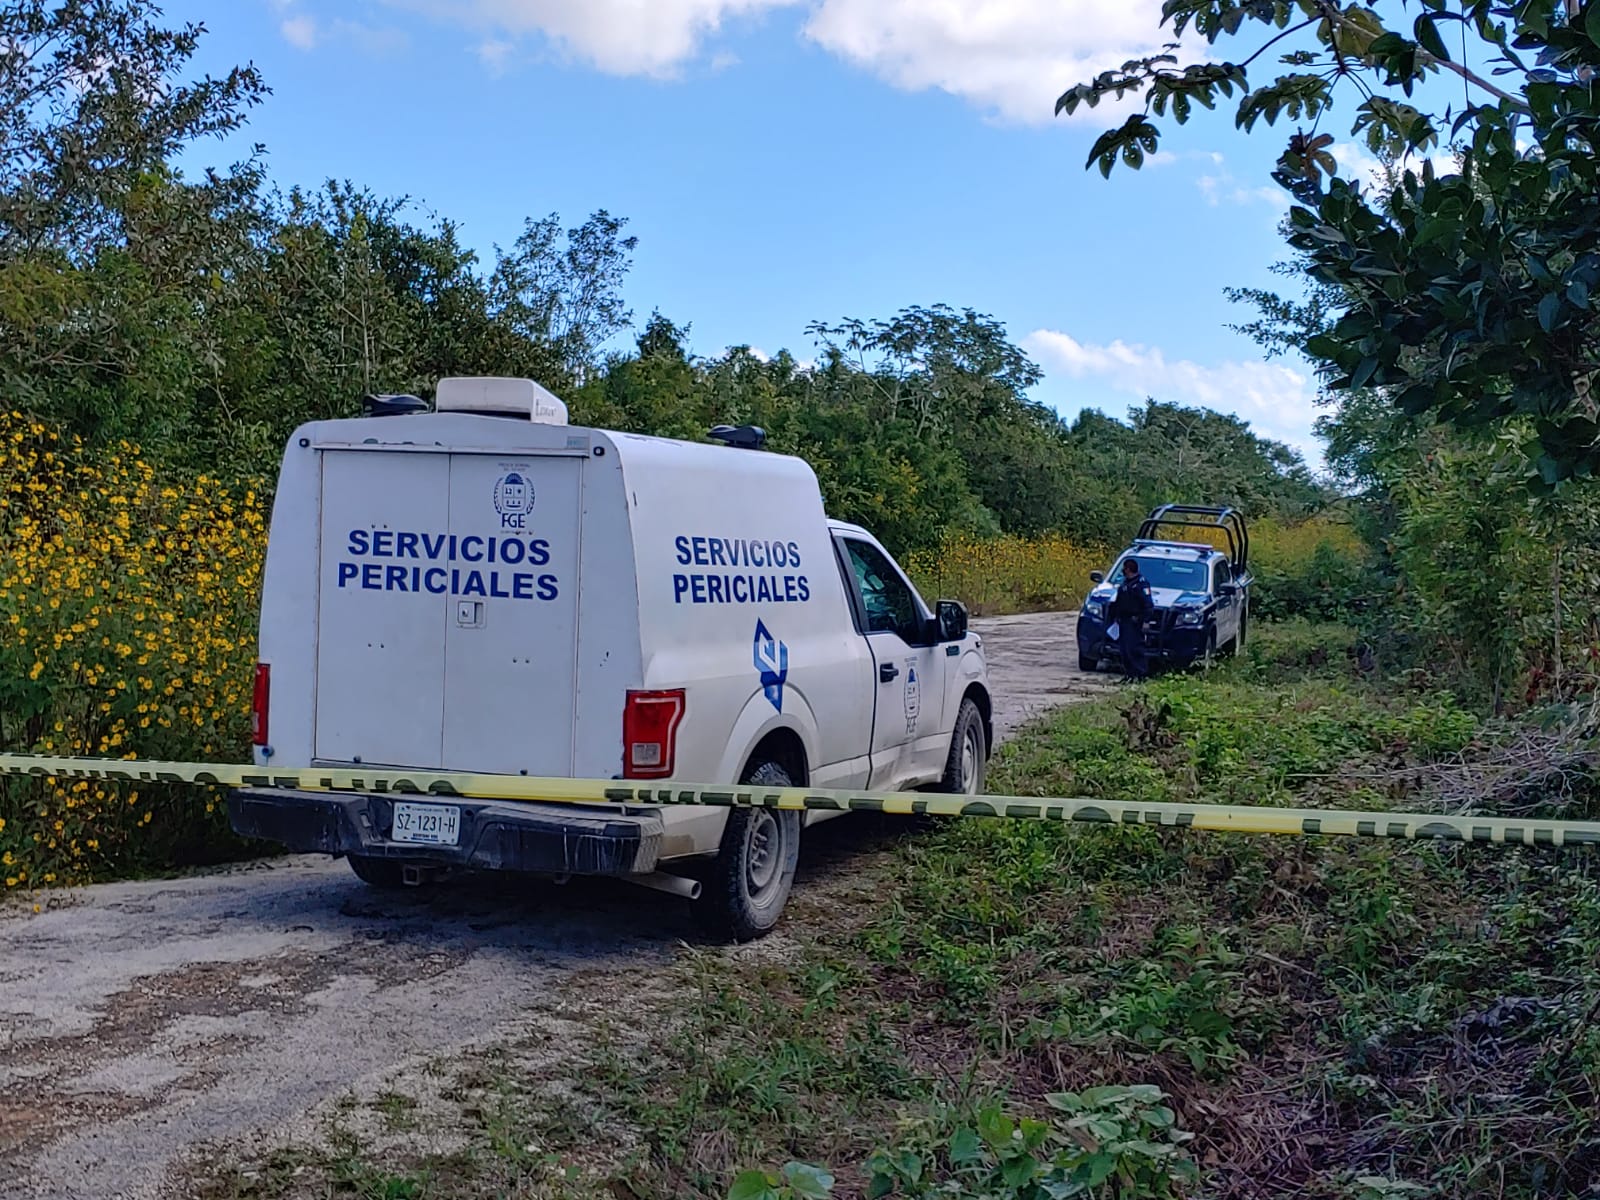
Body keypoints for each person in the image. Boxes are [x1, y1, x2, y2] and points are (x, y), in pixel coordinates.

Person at [1111, 558, 1153, 681]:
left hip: (1135, 622)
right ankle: (1129, 675)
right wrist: (1116, 617)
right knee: (1124, 650)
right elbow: (1119, 602)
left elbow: (1148, 604)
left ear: (1128, 569)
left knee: (1135, 649)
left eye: (1124, 568)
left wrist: (1146, 621)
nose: (1123, 571)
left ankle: (1140, 675)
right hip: (1123, 621)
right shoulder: (1125, 583)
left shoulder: (1141, 583)